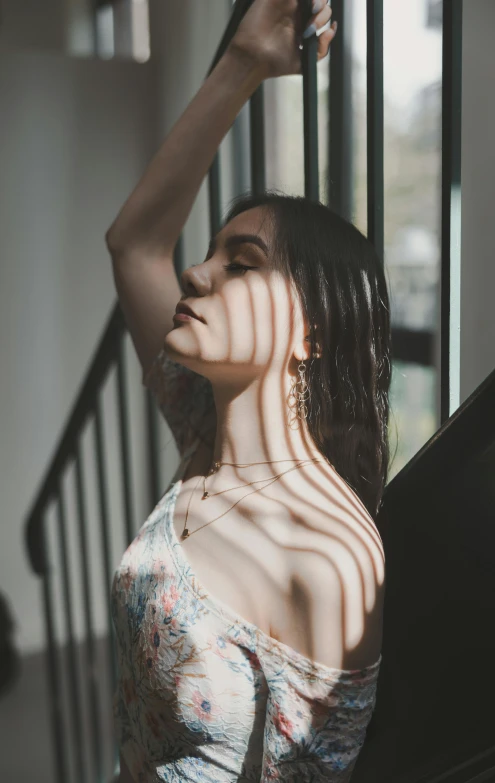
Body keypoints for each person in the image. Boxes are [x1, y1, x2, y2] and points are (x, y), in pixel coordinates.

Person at [106, 1, 391, 780]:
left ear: (315, 331)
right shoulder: (203, 432)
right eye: (211, 254)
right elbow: (134, 243)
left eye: (243, 262)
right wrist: (243, 63)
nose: (197, 273)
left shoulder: (328, 552)